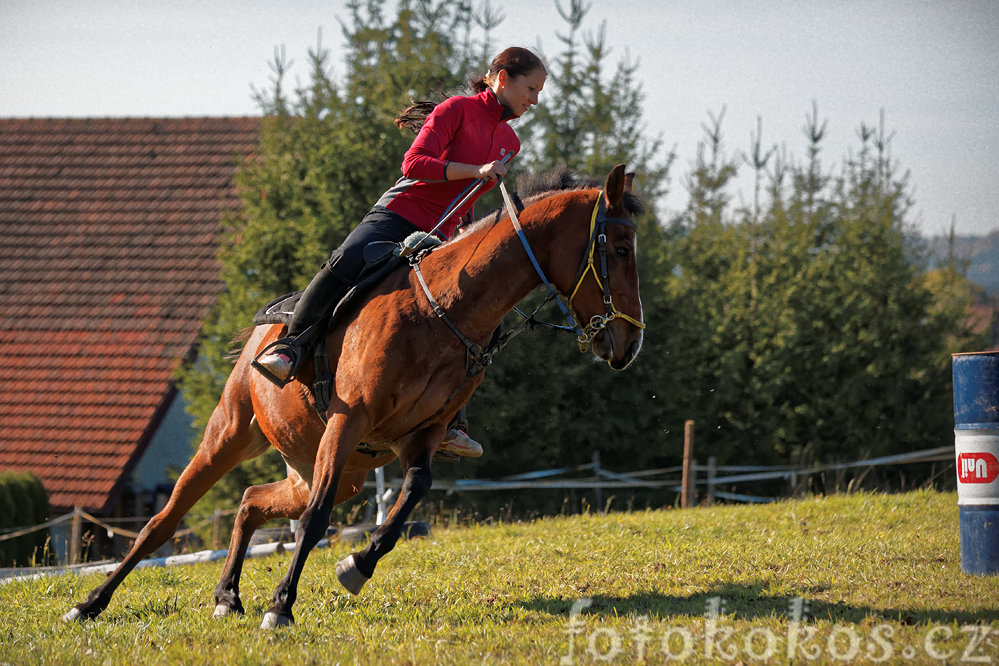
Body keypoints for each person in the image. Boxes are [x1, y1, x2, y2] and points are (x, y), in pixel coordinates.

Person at [254, 46, 548, 457]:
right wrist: (474, 171)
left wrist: (468, 230)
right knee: (348, 260)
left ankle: (450, 420)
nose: (534, 100)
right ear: (502, 79)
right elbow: (414, 164)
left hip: (442, 234)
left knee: (480, 311)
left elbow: (468, 197)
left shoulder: (510, 141)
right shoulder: (455, 111)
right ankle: (290, 346)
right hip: (398, 214)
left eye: (538, 92)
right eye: (531, 88)